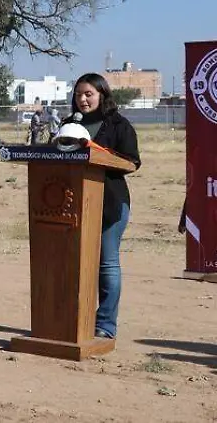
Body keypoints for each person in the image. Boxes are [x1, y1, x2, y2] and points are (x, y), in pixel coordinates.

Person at [71, 73, 141, 340]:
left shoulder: (118, 125)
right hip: (74, 203)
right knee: (76, 263)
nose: (83, 99)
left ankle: (106, 326)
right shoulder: (69, 125)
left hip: (111, 203)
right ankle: (77, 320)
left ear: (102, 95)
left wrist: (98, 154)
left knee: (106, 264)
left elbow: (132, 162)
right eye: (78, 94)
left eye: (89, 94)